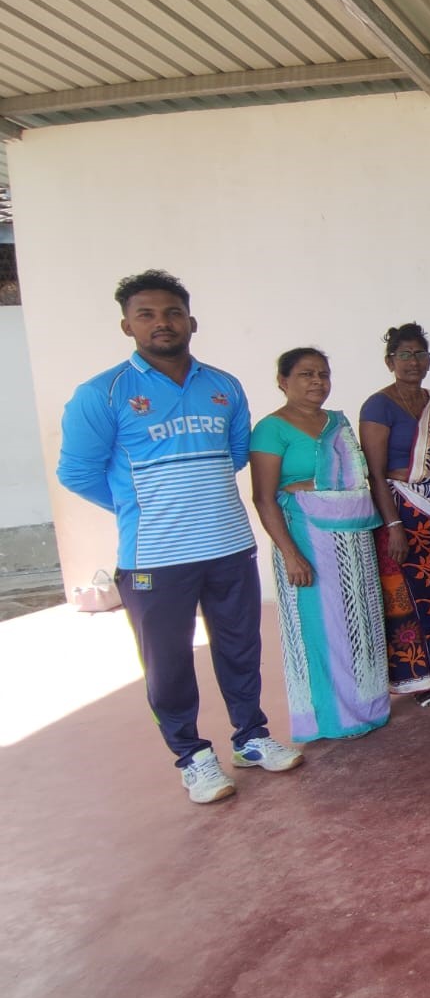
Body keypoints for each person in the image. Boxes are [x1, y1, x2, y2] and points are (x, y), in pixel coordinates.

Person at [57, 269, 302, 804]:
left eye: (172, 313)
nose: (161, 323)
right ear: (127, 326)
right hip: (155, 556)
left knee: (240, 648)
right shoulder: (103, 394)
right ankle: (192, 756)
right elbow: (77, 472)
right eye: (146, 314)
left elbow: (233, 456)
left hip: (228, 544)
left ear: (191, 321)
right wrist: (140, 506)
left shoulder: (224, 386)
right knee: (167, 663)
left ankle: (251, 737)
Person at [250, 348, 389, 743]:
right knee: (320, 628)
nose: (317, 382)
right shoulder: (271, 429)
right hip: (305, 540)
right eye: (306, 374)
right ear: (282, 381)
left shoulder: (336, 423)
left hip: (352, 541)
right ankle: (331, 718)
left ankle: (367, 708)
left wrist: (312, 484)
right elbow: (264, 497)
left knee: (358, 623)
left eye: (323, 374)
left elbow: (357, 476)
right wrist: (290, 555)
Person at [358, 323, 430, 701]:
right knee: (408, 594)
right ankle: (419, 680)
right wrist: (393, 525)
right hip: (401, 512)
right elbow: (375, 472)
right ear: (390, 361)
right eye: (404, 354)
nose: (413, 361)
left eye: (420, 354)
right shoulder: (378, 406)